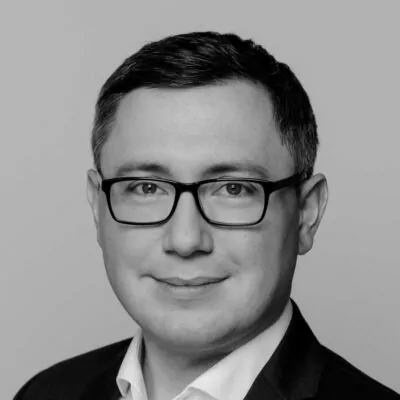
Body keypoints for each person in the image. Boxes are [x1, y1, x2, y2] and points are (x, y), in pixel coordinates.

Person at [14, 31, 400, 400]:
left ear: (306, 213)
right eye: (146, 188)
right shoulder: (45, 393)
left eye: (233, 189)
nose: (185, 240)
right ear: (97, 208)